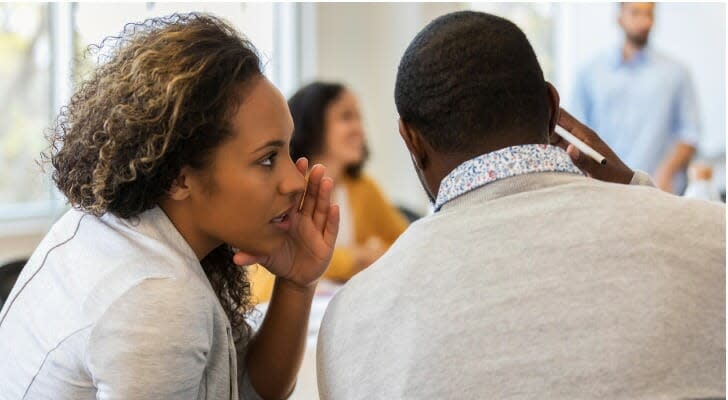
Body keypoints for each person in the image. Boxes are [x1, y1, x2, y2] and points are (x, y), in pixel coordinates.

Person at [317, 11, 725, 399]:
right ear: (551, 108)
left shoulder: (353, 320)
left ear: (411, 140)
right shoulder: (714, 238)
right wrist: (640, 191)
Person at [0, 14, 340, 400]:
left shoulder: (116, 227)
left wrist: (297, 283)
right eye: (266, 158)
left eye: (287, 150)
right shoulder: (156, 299)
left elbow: (243, 389)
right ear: (179, 178)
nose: (297, 181)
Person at [248, 82, 408, 302]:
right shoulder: (286, 189)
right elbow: (266, 276)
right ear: (314, 125)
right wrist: (354, 258)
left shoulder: (364, 189)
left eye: (359, 117)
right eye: (346, 117)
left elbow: (407, 244)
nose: (359, 129)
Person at [570, 2, 700, 194]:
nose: (644, 21)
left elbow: (690, 135)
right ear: (619, 18)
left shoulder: (676, 73)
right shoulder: (589, 74)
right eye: (636, 13)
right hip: (604, 191)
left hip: (659, 193)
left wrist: (667, 171)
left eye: (649, 14)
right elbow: (576, 134)